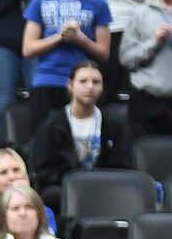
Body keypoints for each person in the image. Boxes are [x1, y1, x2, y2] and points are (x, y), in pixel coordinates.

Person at [21, 0, 110, 113]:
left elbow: (104, 53)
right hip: (47, 79)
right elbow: (28, 48)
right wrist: (59, 37)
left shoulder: (99, 2)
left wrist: (80, 38)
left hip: (82, 84)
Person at [24, 60, 128, 195]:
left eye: (96, 82)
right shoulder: (51, 124)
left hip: (104, 188)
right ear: (70, 85)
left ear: (102, 88)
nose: (90, 87)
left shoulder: (113, 124)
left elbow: (121, 165)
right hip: (65, 188)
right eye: (83, 81)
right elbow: (43, 167)